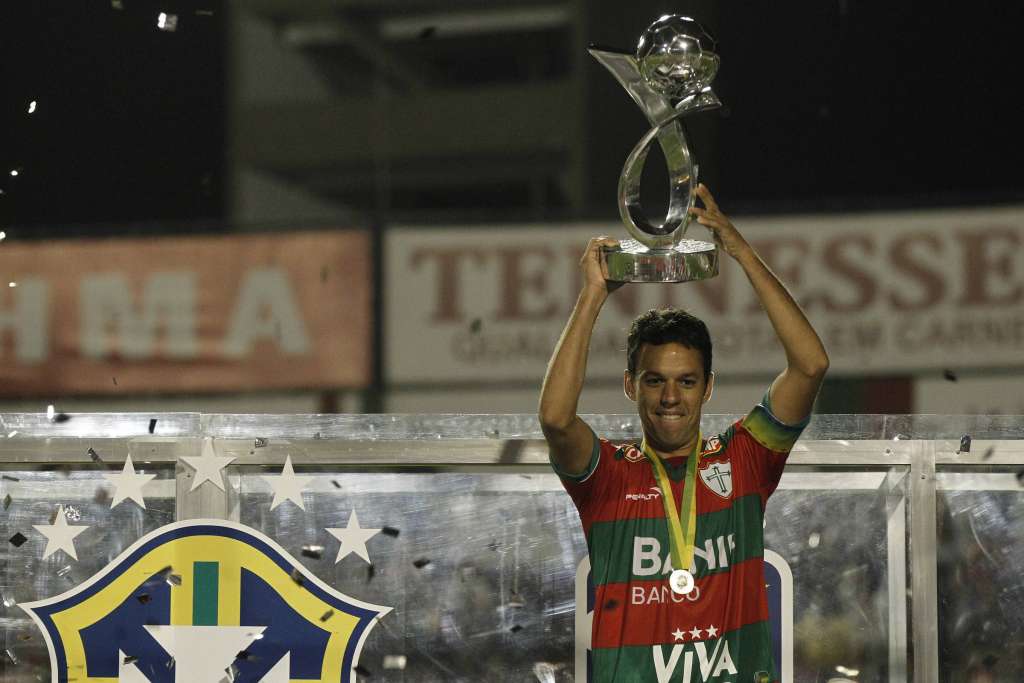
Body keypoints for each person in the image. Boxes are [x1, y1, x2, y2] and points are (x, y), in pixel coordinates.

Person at [539, 184, 829, 682]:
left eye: (686, 381)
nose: (671, 397)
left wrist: (739, 250)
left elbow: (810, 365)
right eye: (655, 381)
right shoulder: (609, 477)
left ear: (708, 387)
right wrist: (592, 296)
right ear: (631, 385)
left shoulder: (743, 460)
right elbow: (557, 419)